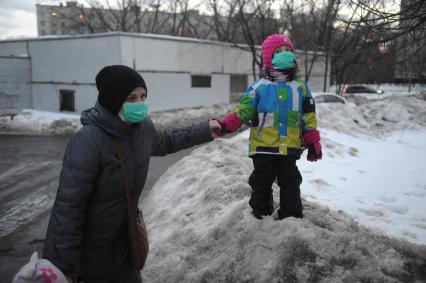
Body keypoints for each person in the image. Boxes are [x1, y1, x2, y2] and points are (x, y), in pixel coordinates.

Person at [42, 65, 222, 283]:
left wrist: (205, 130)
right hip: (91, 257)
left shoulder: (142, 128)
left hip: (126, 247)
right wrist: (64, 267)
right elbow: (68, 208)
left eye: (143, 96)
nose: (140, 104)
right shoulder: (89, 140)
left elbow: (166, 141)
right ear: (113, 100)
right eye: (131, 98)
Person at [216, 34, 322, 220]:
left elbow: (308, 116)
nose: (285, 55)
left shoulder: (300, 87)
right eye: (278, 52)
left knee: (290, 180)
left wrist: (312, 140)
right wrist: (226, 124)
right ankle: (260, 213)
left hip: (289, 146)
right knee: (261, 180)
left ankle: (291, 215)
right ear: (268, 58)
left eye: (288, 51)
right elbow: (244, 110)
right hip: (263, 146)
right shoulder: (259, 87)